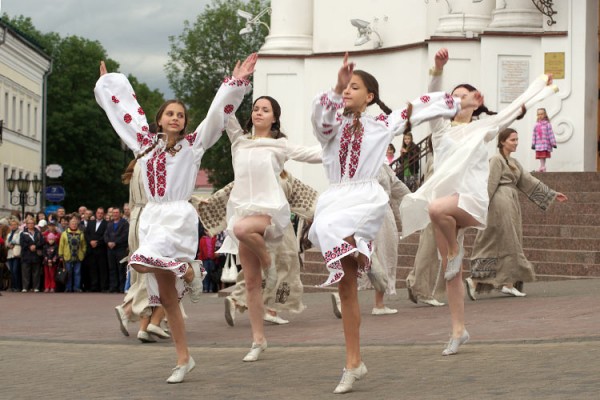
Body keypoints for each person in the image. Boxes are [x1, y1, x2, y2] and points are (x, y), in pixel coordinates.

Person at [309, 53, 479, 394]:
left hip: (364, 198)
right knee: (345, 286)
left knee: (344, 242)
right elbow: (321, 118)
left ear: (369, 96)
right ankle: (353, 361)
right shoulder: (331, 130)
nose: (347, 91)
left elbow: (416, 109)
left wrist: (451, 99)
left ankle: (362, 254)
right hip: (336, 198)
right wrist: (337, 84)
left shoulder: (381, 125)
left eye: (355, 87)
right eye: (346, 87)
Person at [95, 53, 257, 383]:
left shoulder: (193, 146)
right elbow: (124, 113)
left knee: (140, 261)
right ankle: (184, 359)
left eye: (180, 115)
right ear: (158, 119)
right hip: (153, 217)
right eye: (170, 113)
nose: (176, 118)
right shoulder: (144, 144)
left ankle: (187, 269)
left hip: (178, 216)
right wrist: (109, 82)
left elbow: (215, 115)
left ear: (184, 122)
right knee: (166, 298)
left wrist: (235, 83)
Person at [400, 48, 557, 357]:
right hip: (447, 207)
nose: (457, 99)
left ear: (475, 101)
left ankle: (457, 252)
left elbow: (513, 110)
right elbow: (433, 96)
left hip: (469, 201)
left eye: (464, 95)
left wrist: (541, 87)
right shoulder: (440, 129)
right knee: (451, 273)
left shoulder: (482, 129)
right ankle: (459, 330)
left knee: (434, 210)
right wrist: (437, 68)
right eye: (453, 96)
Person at [217, 89, 322, 363]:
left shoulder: (280, 145)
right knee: (251, 284)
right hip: (242, 209)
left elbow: (313, 154)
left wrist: (345, 147)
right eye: (255, 108)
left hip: (269, 212)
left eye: (265, 109)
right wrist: (234, 84)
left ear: (274, 118)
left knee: (241, 229)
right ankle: (258, 340)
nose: (258, 112)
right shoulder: (239, 142)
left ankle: (269, 264)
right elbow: (225, 111)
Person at [193, 167, 318, 327]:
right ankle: (266, 308)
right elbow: (306, 200)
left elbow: (228, 193)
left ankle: (238, 300)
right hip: (277, 228)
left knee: (255, 268)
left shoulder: (254, 174)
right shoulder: (285, 178)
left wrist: (208, 204)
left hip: (253, 227)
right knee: (281, 268)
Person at [466, 128, 567, 299]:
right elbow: (490, 184)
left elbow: (528, 180)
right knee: (494, 241)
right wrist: (482, 207)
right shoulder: (496, 160)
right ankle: (475, 280)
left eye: (517, 139)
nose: (516, 143)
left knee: (511, 241)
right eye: (513, 140)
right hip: (499, 203)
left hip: (511, 203)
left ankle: (508, 283)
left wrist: (551, 193)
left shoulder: (513, 162)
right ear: (503, 141)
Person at [115, 161, 171, 344]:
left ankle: (151, 323)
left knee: (144, 273)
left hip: (136, 220)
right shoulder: (153, 163)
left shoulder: (137, 164)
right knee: (157, 273)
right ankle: (130, 308)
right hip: (151, 219)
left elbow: (131, 204)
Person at [59, 215, 87, 292]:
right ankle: (68, 288)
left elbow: (84, 244)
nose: (74, 225)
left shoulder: (81, 233)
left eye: (75, 223)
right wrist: (60, 255)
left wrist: (83, 252)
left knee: (77, 273)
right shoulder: (64, 233)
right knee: (68, 273)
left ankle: (76, 287)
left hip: (78, 256)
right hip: (67, 255)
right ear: (69, 224)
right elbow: (61, 245)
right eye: (72, 223)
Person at [104, 207, 129, 293]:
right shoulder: (109, 223)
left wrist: (115, 242)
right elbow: (106, 234)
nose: (115, 214)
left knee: (121, 268)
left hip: (120, 249)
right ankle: (113, 287)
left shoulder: (125, 223)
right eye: (114, 213)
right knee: (112, 268)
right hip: (110, 249)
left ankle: (121, 287)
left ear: (120, 213)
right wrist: (108, 242)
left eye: (117, 212)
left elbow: (125, 235)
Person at [85, 207, 109, 292]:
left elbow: (106, 235)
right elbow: (86, 234)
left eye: (101, 213)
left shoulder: (107, 224)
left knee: (102, 269)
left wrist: (97, 242)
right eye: (98, 213)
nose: (100, 214)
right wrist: (90, 241)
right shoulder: (90, 223)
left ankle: (103, 287)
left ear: (104, 214)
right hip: (91, 249)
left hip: (101, 249)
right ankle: (94, 287)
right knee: (93, 269)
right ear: (96, 214)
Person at [20, 217, 44, 292]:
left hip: (36, 254)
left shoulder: (38, 233)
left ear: (34, 224)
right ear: (26, 224)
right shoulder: (23, 233)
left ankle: (36, 287)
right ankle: (25, 287)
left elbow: (42, 242)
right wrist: (29, 246)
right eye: (29, 223)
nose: (31, 224)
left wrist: (35, 246)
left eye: (32, 223)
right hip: (26, 254)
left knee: (36, 272)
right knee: (25, 272)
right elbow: (22, 243)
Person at [532, 107, 557, 172]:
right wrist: (533, 144)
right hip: (538, 144)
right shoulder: (536, 125)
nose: (540, 116)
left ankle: (542, 166)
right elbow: (534, 135)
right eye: (538, 114)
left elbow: (550, 134)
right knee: (541, 156)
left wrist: (553, 143)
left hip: (545, 144)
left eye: (542, 114)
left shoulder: (547, 124)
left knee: (543, 155)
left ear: (545, 114)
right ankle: (542, 166)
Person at [6, 218, 22, 292]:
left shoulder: (20, 232)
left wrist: (12, 243)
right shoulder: (9, 234)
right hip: (10, 253)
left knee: (16, 270)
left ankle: (18, 286)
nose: (13, 226)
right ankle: (13, 286)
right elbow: (6, 242)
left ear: (17, 225)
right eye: (11, 225)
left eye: (15, 225)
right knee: (11, 271)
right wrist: (8, 245)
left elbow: (19, 240)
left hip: (17, 253)